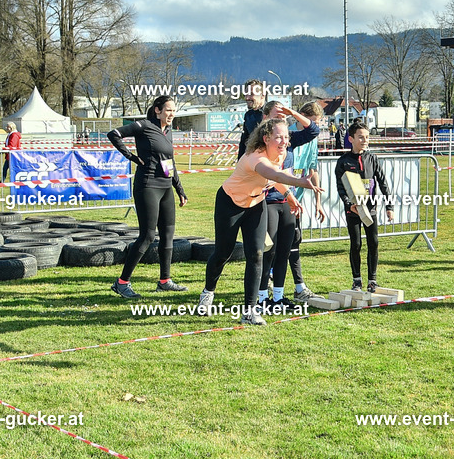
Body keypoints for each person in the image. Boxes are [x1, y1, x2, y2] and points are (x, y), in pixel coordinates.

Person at [198, 118, 322, 325]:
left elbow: (275, 179)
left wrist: (290, 196)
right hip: (230, 203)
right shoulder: (255, 158)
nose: (284, 141)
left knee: (257, 254)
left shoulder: (280, 154)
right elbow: (271, 173)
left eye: (286, 137)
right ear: (266, 139)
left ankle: (249, 311)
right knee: (223, 253)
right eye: (278, 137)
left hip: (256, 204)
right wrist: (299, 182)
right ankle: (207, 293)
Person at [107, 96, 189, 299]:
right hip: (147, 185)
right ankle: (122, 283)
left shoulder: (167, 131)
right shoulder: (144, 126)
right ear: (157, 110)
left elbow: (170, 162)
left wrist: (179, 188)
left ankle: (164, 281)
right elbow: (114, 134)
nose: (171, 114)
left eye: (173, 110)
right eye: (168, 110)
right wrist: (131, 156)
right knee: (148, 236)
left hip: (165, 186)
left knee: (168, 234)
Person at [256, 100, 320, 309]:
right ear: (266, 118)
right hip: (267, 200)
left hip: (287, 200)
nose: (283, 118)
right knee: (268, 251)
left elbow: (313, 130)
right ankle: (262, 297)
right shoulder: (260, 142)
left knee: (284, 250)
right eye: (277, 114)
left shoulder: (287, 140)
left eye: (285, 116)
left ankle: (278, 297)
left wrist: (292, 112)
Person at [335, 120, 394, 293]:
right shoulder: (343, 161)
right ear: (351, 139)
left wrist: (389, 206)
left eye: (367, 137)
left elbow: (383, 183)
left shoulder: (372, 158)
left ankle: (372, 281)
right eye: (361, 137)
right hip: (353, 210)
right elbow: (340, 188)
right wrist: (349, 204)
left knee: (373, 243)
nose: (365, 140)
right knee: (356, 244)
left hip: (371, 209)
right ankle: (357, 281)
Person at [287, 102, 327, 301]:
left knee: (294, 241)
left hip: (298, 201)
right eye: (311, 123)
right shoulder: (287, 135)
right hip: (280, 197)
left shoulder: (312, 140)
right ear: (300, 117)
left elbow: (313, 170)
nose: (314, 129)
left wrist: (318, 201)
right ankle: (267, 283)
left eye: (317, 124)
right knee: (274, 244)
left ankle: (299, 287)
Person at [236, 79, 267, 159]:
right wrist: (240, 162)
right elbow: (244, 141)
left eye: (251, 94)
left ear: (262, 95)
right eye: (246, 94)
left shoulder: (273, 112)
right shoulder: (248, 115)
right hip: (254, 161)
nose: (247, 98)